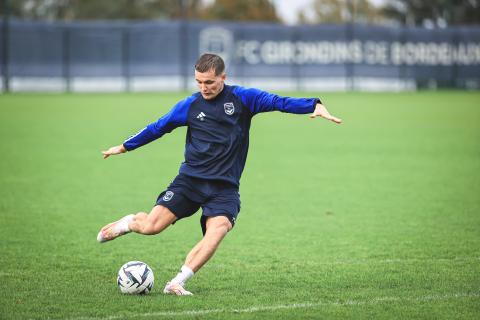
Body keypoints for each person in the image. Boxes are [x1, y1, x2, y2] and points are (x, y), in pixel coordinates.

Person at [97, 53, 342, 296]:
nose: (204, 87)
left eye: (209, 82)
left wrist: (313, 105)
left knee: (218, 229)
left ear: (223, 77)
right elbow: (157, 128)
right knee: (151, 226)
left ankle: (177, 282)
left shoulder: (244, 98)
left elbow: (279, 102)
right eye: (199, 82)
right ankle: (129, 222)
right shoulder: (189, 106)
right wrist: (124, 146)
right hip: (190, 181)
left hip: (224, 189)